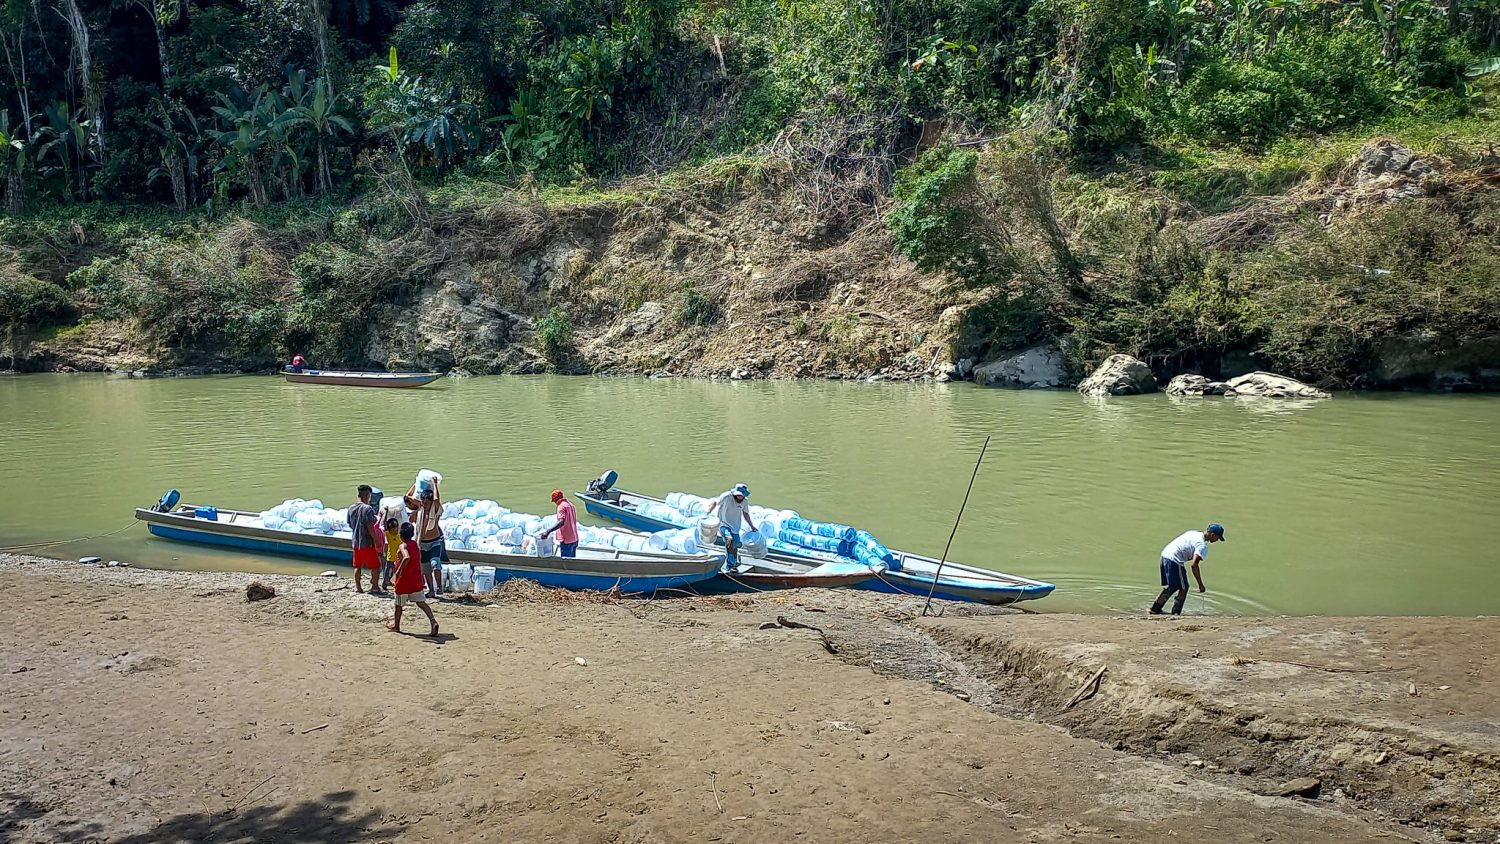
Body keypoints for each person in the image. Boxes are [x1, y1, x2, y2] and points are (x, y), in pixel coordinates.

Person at [1150, 523, 1225, 616]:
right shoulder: (1202, 546)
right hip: (1174, 560)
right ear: (1213, 535)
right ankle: (1176, 613)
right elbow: (1194, 565)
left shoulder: (1193, 533)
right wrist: (1200, 584)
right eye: (1217, 538)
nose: (1217, 540)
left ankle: (1155, 609)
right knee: (1184, 587)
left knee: (1173, 586)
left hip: (1165, 555)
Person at [388, 522, 438, 637]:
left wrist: (399, 570)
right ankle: (432, 621)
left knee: (399, 605)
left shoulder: (403, 546)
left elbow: (407, 557)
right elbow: (417, 561)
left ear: (401, 535)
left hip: (404, 581)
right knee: (421, 603)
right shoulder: (415, 545)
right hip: (415, 579)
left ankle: (396, 625)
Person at [404, 481, 447, 599]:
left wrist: (434, 484)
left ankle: (439, 587)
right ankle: (431, 591)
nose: (425, 505)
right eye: (423, 503)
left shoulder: (435, 509)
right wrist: (416, 483)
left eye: (427, 503)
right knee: (425, 568)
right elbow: (407, 497)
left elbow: (437, 499)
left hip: (434, 541)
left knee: (435, 564)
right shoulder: (420, 509)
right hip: (421, 543)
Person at [346, 484, 384, 594]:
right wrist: (376, 540)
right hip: (367, 543)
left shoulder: (351, 508)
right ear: (368, 495)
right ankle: (375, 587)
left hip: (356, 542)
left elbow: (350, 524)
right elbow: (370, 527)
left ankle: (358, 587)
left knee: (357, 565)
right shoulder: (368, 509)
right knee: (375, 566)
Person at [706, 483, 757, 564]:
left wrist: (752, 526)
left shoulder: (745, 501)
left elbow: (746, 514)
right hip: (723, 524)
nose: (740, 497)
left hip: (735, 526)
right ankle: (730, 563)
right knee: (730, 539)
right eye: (739, 495)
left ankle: (734, 561)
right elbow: (715, 502)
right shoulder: (726, 496)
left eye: (742, 495)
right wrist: (707, 512)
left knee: (735, 544)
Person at [540, 490, 580, 558]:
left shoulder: (561, 506)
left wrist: (548, 531)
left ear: (555, 499)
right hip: (574, 539)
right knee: (572, 562)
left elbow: (561, 522)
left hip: (567, 540)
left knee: (566, 563)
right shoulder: (570, 505)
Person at [380, 516, 402, 593]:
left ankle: (391, 582)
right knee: (389, 572)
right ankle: (385, 584)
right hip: (391, 558)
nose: (395, 531)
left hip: (399, 559)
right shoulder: (389, 535)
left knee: (397, 573)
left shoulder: (400, 535)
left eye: (396, 528)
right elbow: (384, 524)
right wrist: (386, 512)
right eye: (393, 530)